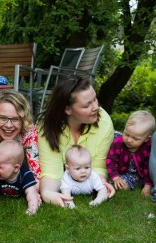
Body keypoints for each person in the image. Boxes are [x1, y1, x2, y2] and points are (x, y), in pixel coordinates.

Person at [38, 77, 115, 206]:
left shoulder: (104, 123)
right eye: (87, 105)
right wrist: (47, 193)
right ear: (68, 109)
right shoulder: (47, 128)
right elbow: (52, 170)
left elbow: (98, 167)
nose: (96, 107)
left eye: (95, 99)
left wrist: (102, 184)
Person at [0, 140, 39, 215]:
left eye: (0, 166)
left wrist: (32, 208)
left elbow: (32, 193)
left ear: (15, 168)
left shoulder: (26, 175)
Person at [106, 110, 155, 197]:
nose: (129, 140)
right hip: (119, 172)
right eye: (127, 134)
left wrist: (148, 185)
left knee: (124, 185)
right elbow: (111, 160)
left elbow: (149, 168)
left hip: (137, 175)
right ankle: (111, 183)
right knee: (111, 180)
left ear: (147, 139)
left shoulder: (148, 148)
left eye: (135, 139)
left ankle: (116, 185)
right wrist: (115, 177)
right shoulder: (118, 143)